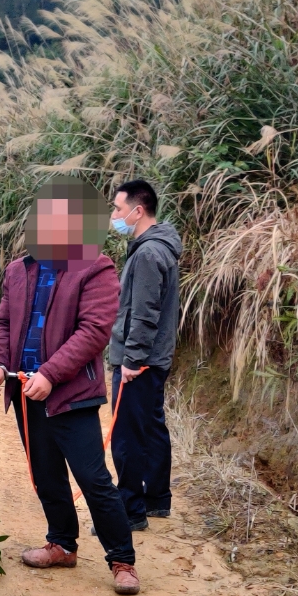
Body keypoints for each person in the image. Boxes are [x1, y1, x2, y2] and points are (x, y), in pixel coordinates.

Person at [0, 176, 140, 596]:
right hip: (26, 391)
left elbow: (94, 330)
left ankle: (122, 560)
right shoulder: (18, 269)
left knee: (92, 478)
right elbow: (5, 323)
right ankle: (62, 545)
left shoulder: (95, 267)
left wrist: (50, 374)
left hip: (70, 394)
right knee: (46, 475)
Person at [106, 179, 182, 532]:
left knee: (126, 436)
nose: (115, 216)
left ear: (138, 211)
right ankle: (157, 499)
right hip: (155, 358)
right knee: (151, 427)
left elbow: (145, 312)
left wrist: (131, 361)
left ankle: (131, 511)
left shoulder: (150, 253)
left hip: (140, 362)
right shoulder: (156, 248)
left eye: (118, 209)